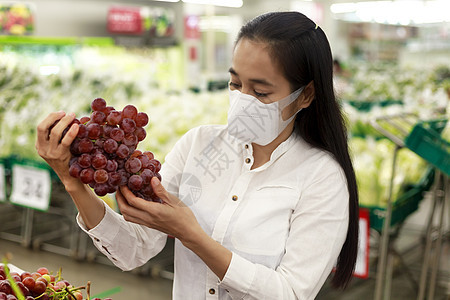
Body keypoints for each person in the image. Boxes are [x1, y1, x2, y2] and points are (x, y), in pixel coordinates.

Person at [36, 11, 359, 300]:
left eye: (261, 92)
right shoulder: (199, 144)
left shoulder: (321, 177)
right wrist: (71, 180)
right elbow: (133, 249)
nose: (243, 100)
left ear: (306, 95)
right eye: (235, 84)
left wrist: (193, 237)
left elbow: (289, 293)